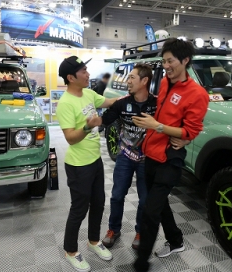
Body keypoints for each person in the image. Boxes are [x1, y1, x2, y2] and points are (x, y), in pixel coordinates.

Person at [131, 38, 209, 272]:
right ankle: (175, 241)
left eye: (170, 61)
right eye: (164, 61)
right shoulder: (164, 82)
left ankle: (141, 262)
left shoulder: (198, 94)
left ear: (185, 61)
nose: (166, 65)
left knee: (150, 210)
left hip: (170, 158)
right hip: (151, 153)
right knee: (160, 204)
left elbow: (191, 130)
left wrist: (159, 127)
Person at [56, 56, 117, 272]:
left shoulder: (89, 94)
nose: (88, 74)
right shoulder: (65, 104)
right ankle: (70, 251)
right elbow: (71, 138)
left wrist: (133, 96)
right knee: (79, 209)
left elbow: (108, 102)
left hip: (95, 160)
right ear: (71, 77)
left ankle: (93, 241)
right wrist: (87, 127)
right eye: (83, 71)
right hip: (78, 165)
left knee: (99, 202)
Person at [101, 64, 155, 250]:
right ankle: (113, 230)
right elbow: (103, 121)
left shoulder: (156, 104)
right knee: (117, 195)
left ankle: (140, 231)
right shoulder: (122, 103)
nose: (128, 81)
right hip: (124, 156)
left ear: (144, 81)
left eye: (132, 77)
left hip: (147, 159)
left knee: (145, 199)